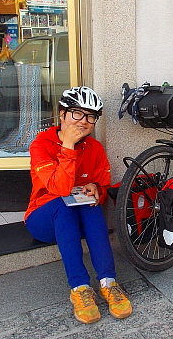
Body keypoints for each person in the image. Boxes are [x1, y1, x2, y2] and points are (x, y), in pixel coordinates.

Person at [24, 86, 132, 324]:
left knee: (90, 202)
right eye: (77, 113)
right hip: (44, 219)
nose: (84, 121)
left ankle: (108, 282)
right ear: (61, 114)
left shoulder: (94, 148)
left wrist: (97, 188)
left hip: (79, 220)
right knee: (64, 205)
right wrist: (68, 147)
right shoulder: (41, 145)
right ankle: (80, 288)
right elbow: (60, 189)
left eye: (90, 116)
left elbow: (102, 188)